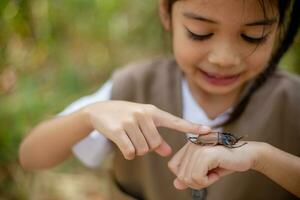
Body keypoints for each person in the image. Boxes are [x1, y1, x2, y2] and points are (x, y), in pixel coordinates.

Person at [19, 0, 300, 199]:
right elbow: (30, 155)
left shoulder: (292, 102)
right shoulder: (133, 87)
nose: (224, 58)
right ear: (166, 12)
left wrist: (264, 158)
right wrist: (88, 114)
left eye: (253, 37)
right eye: (200, 33)